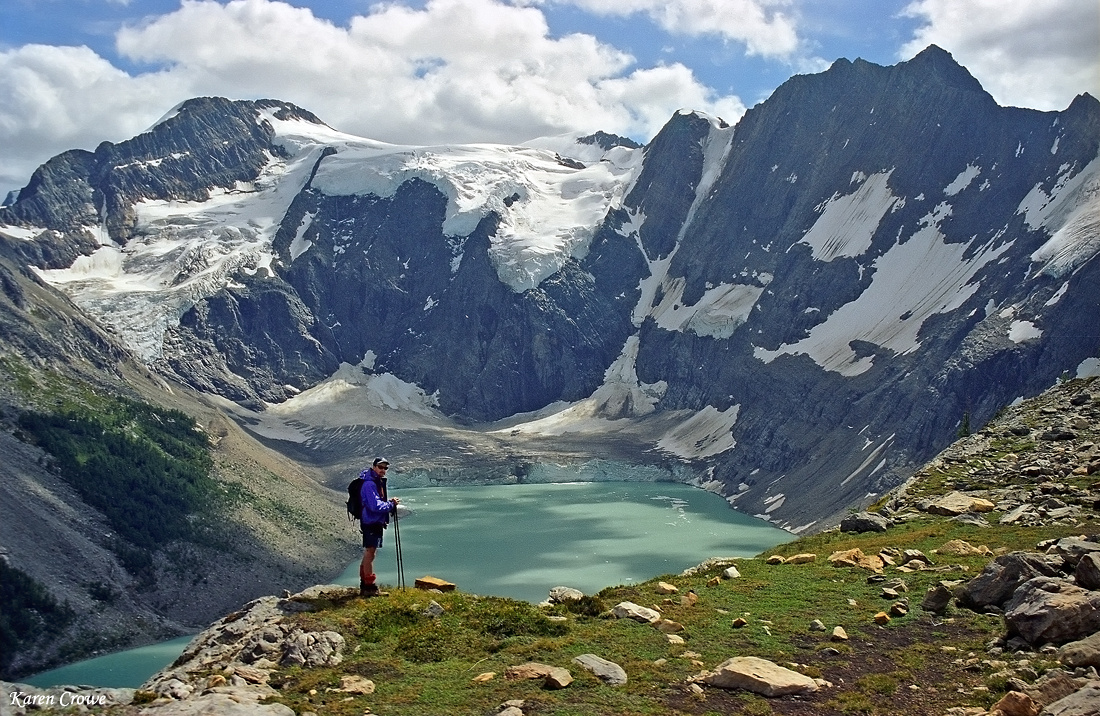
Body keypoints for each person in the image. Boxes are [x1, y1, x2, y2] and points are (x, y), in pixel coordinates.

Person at [359, 457, 400, 597]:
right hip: (371, 522)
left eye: (385, 468)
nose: (383, 470)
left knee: (370, 552)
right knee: (370, 552)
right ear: (374, 467)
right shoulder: (370, 484)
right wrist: (391, 504)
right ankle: (369, 587)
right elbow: (375, 506)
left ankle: (365, 583)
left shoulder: (374, 482)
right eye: (380, 467)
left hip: (373, 521)